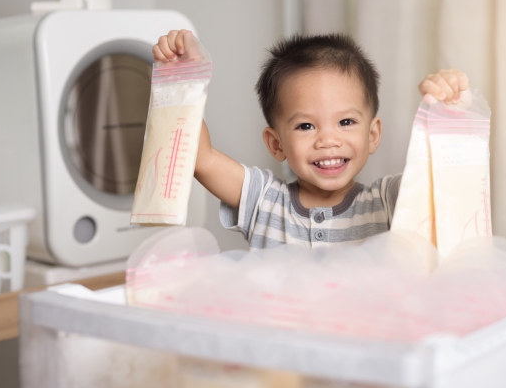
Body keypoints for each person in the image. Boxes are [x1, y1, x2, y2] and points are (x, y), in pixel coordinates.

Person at [153, 30, 468, 249]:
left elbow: (443, 185)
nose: (328, 140)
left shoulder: (387, 202)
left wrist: (448, 112)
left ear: (372, 135)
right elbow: (200, 157)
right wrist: (183, 82)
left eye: (346, 122)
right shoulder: (264, 201)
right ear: (276, 144)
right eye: (305, 126)